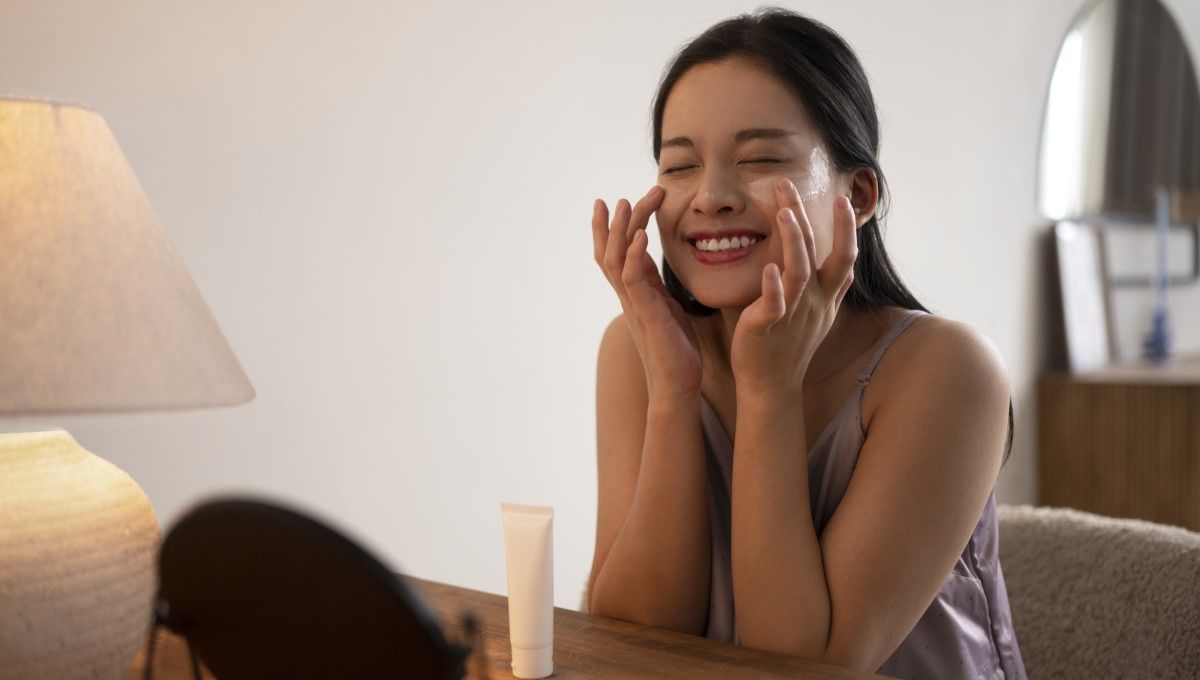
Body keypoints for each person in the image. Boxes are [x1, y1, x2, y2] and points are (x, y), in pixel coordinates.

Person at [585, 8, 1027, 679]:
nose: (711, 196)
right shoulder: (639, 348)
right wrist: (674, 391)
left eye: (760, 158)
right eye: (680, 165)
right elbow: (631, 640)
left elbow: (806, 666)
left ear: (858, 195)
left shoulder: (950, 372)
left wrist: (768, 390)